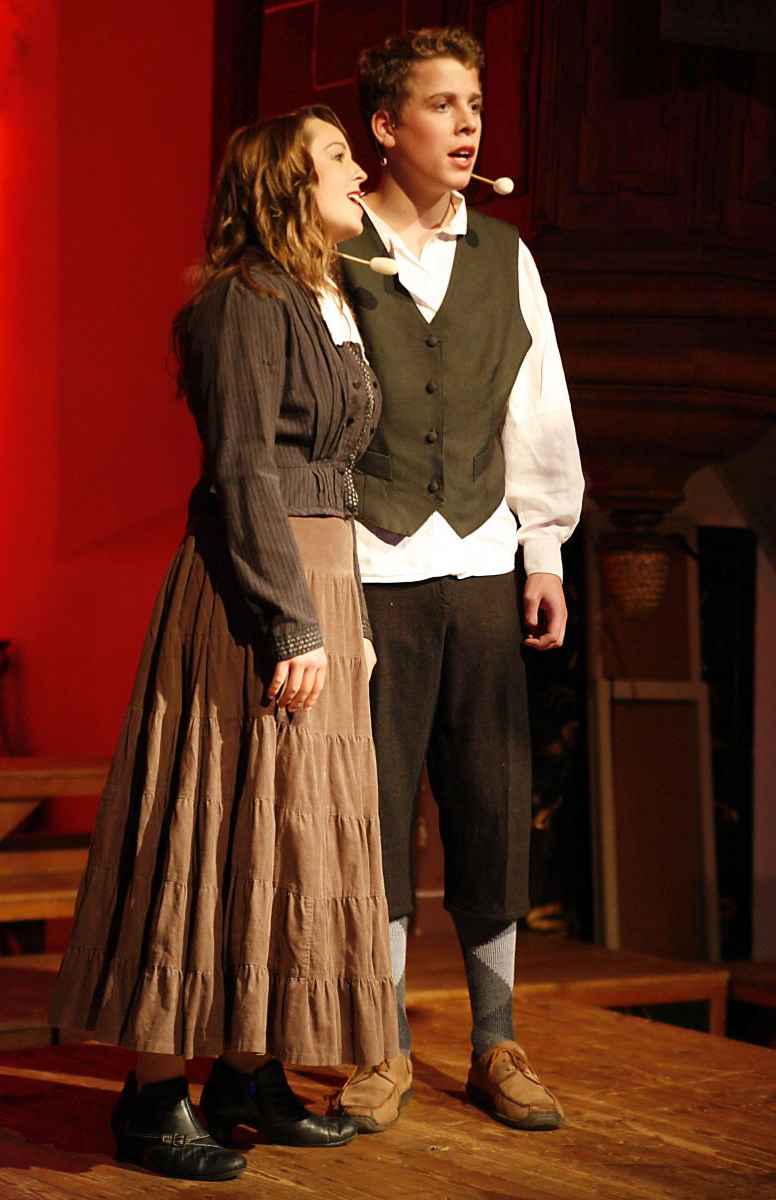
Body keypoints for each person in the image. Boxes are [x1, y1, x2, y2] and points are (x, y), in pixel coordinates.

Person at [48, 106, 399, 1182]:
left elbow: (332, 478)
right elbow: (244, 467)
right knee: (208, 825)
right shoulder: (242, 301)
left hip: (321, 579)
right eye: (337, 155)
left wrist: (349, 619)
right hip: (253, 587)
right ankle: (154, 1095)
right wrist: (292, 618)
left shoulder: (327, 299)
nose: (360, 169)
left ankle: (249, 1072)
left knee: (289, 837)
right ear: (284, 183)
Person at [334, 29, 584, 1134]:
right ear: (385, 127)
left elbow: (537, 406)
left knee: (490, 799)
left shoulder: (503, 254)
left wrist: (545, 551)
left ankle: (495, 1041)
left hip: (481, 557)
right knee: (379, 808)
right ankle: (382, 1045)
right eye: (442, 104)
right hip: (374, 561)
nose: (469, 123)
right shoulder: (336, 246)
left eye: (474, 103)